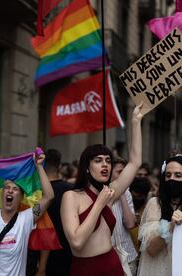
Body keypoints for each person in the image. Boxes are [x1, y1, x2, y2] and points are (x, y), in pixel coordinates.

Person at [60, 104, 145, 276]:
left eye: (108, 160)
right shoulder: (71, 197)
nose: (105, 164)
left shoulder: (110, 192)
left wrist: (136, 122)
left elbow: (135, 162)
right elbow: (76, 242)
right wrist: (99, 203)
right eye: (98, 160)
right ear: (86, 167)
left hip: (112, 265)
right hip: (85, 269)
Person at [35, 149, 73, 276]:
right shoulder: (72, 191)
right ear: (60, 167)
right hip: (68, 253)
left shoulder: (35, 195)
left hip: (38, 256)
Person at [110, 157, 138, 275]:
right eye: (119, 172)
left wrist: (121, 193)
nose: (123, 176)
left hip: (128, 256)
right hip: (108, 256)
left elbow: (130, 224)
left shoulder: (126, 193)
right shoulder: (98, 193)